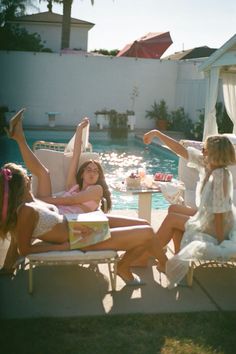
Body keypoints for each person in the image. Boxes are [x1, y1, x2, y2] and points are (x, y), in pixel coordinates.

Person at [0, 109, 161, 284]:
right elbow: (26, 248)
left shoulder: (92, 191)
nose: (92, 172)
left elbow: (69, 195)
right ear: (82, 174)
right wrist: (78, 132)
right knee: (147, 232)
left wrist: (46, 201)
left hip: (76, 224)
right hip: (74, 229)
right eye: (88, 169)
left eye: (96, 171)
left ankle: (19, 137)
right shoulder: (44, 201)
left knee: (146, 230)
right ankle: (154, 264)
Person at [144, 129, 236, 287]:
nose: (202, 151)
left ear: (214, 154)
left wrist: (220, 242)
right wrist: (157, 134)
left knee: (172, 219)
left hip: (217, 226)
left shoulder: (220, 177)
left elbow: (220, 213)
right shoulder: (209, 165)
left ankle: (147, 255)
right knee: (174, 209)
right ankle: (178, 259)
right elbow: (182, 151)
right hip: (208, 217)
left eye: (205, 149)